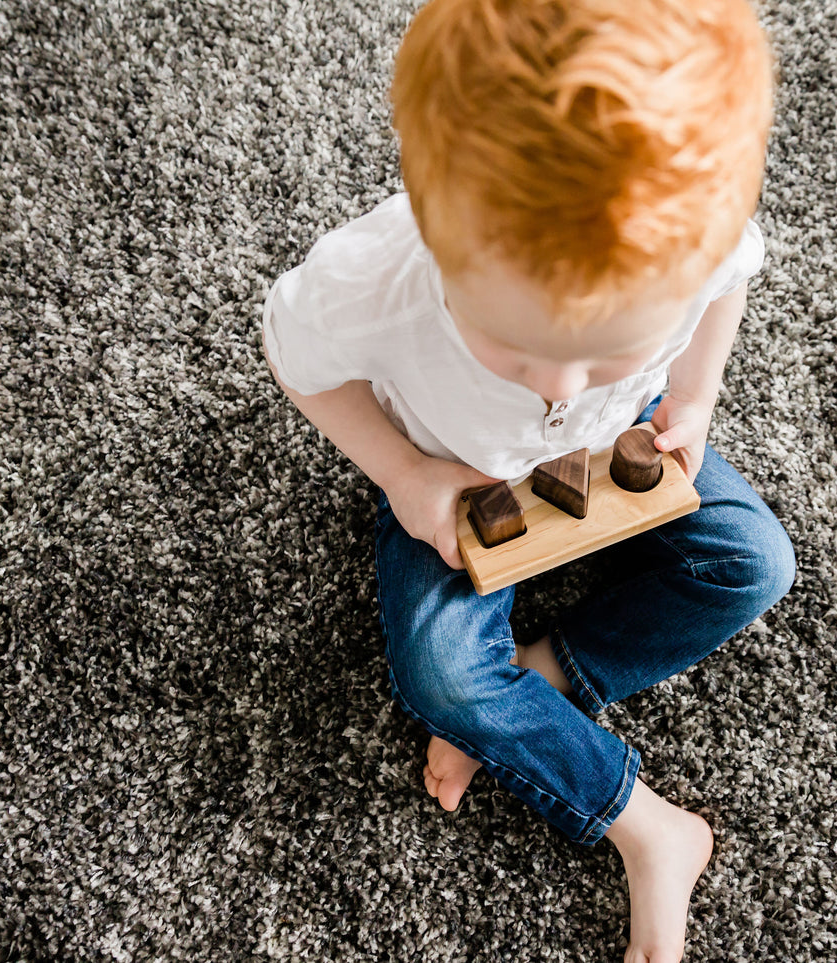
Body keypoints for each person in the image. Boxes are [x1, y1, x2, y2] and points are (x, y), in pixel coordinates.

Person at [262, 1, 795, 959]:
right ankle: (649, 827)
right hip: (454, 476)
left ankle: (542, 677)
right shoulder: (376, 277)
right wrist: (406, 472)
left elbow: (726, 281)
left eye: (604, 350)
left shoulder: (697, 237)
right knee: (443, 676)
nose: (555, 387)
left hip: (623, 445)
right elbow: (295, 358)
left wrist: (694, 397)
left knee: (754, 564)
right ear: (432, 224)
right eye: (512, 345)